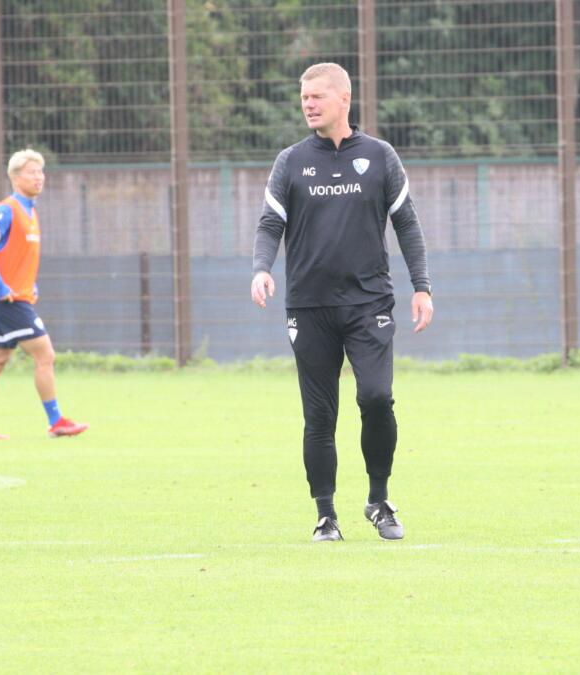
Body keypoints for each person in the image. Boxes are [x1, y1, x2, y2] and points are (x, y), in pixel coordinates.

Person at [251, 63, 434, 542]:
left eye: (316, 96)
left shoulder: (379, 156)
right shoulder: (290, 161)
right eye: (303, 97)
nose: (308, 104)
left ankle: (378, 500)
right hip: (309, 307)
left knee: (375, 397)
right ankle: (325, 515)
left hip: (368, 302)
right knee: (319, 416)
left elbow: (407, 224)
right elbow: (270, 225)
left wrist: (422, 286)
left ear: (344, 99)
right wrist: (261, 269)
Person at [0, 149, 88, 440]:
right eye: (32, 172)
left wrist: (29, 283)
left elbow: (18, 257)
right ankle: (56, 421)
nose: (38, 177)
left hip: (15, 295)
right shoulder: (7, 209)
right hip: (8, 299)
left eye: (41, 172)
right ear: (15, 177)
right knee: (45, 354)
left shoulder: (31, 211)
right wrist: (1, 285)